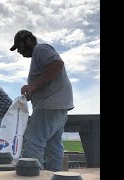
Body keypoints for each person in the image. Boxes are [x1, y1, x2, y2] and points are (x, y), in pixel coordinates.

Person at [10, 30, 74, 171]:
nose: (19, 51)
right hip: (58, 108)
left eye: (19, 46)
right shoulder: (39, 54)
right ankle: (56, 175)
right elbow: (47, 78)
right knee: (53, 146)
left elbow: (57, 64)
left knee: (32, 142)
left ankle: (32, 175)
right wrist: (32, 93)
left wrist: (33, 85)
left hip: (48, 106)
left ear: (27, 40)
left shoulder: (41, 49)